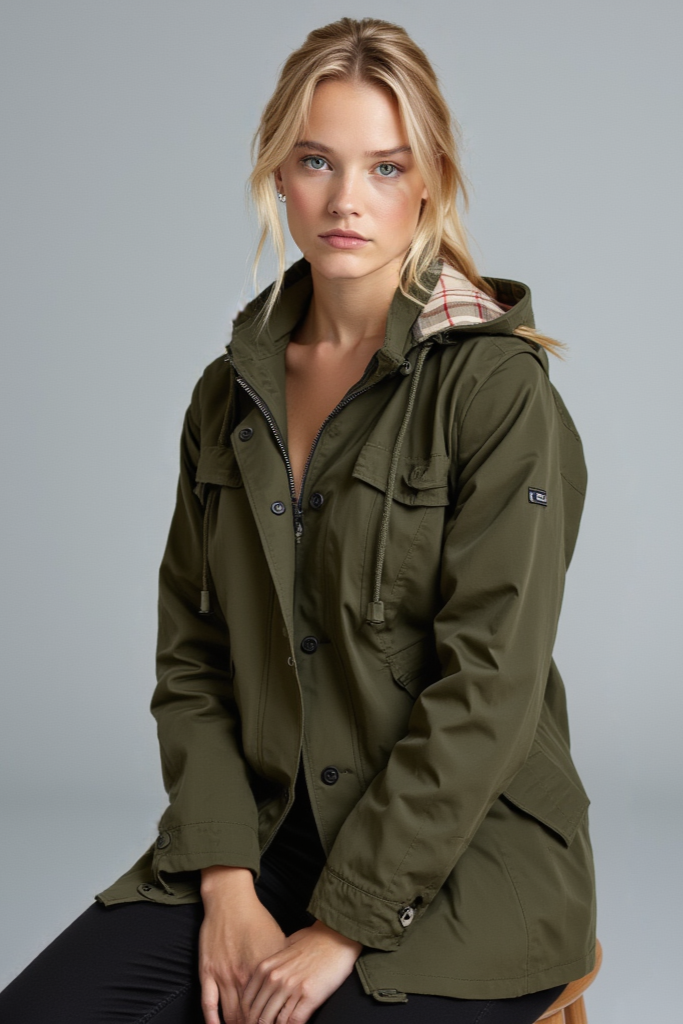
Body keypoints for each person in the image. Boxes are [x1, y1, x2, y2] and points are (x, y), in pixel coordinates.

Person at [0, 16, 598, 1024]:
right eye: (317, 160)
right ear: (278, 172)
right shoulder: (227, 396)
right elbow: (193, 657)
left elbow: (487, 689)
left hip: (469, 863)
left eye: (384, 166)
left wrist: (343, 925)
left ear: (428, 180)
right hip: (271, 837)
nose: (345, 199)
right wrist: (227, 883)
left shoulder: (495, 392)